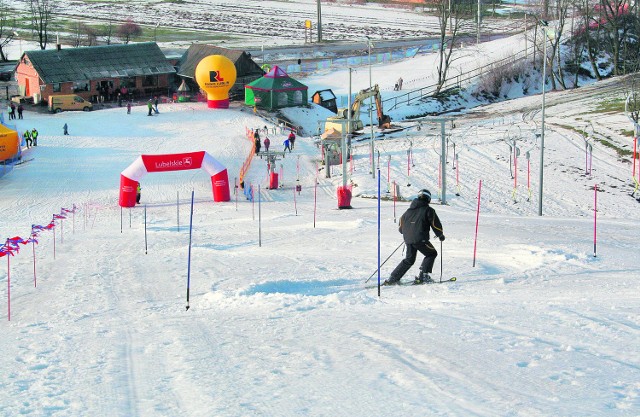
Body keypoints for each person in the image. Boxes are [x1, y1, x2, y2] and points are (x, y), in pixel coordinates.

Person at [384, 189, 445, 285]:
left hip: (408, 240)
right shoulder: (428, 210)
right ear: (428, 199)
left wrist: (408, 233)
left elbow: (400, 227)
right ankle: (424, 276)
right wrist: (440, 235)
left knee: (409, 260)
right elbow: (435, 224)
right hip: (420, 239)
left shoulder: (408, 211)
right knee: (431, 254)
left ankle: (393, 278)